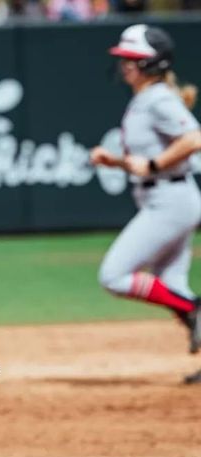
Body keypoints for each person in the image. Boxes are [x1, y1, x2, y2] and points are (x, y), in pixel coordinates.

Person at [91, 24, 201, 356]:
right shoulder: (146, 98)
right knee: (171, 286)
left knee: (114, 275)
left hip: (170, 201)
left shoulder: (157, 99)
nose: (125, 64)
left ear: (154, 63)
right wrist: (119, 163)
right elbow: (149, 159)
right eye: (124, 57)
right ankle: (190, 308)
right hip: (166, 197)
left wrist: (153, 166)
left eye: (133, 58)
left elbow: (194, 139)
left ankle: (194, 308)